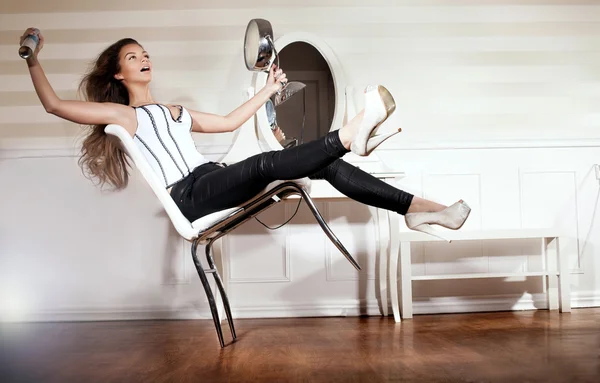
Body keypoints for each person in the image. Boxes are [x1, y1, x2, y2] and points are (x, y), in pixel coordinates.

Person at [20, 28, 470, 241]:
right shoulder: (123, 115)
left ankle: (420, 209)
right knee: (265, 163)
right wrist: (31, 59)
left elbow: (232, 121)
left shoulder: (174, 110)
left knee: (325, 164)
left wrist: (270, 89)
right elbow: (54, 105)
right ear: (118, 74)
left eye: (145, 54)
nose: (143, 59)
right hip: (189, 194)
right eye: (133, 57)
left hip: (212, 177)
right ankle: (350, 134)